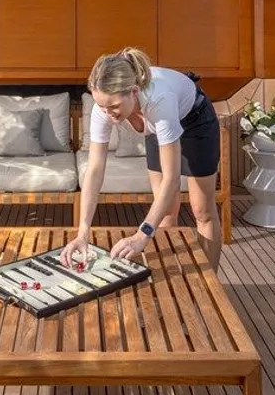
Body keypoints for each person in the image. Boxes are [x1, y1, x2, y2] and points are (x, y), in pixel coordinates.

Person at [61, 47, 223, 268]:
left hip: (195, 122)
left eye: (114, 106)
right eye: (101, 106)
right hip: (156, 127)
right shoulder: (104, 109)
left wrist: (141, 235)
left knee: (202, 211)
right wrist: (82, 233)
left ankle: (209, 282)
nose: (108, 114)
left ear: (134, 92)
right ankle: (172, 277)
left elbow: (172, 179)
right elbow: (95, 170)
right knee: (166, 210)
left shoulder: (160, 100)